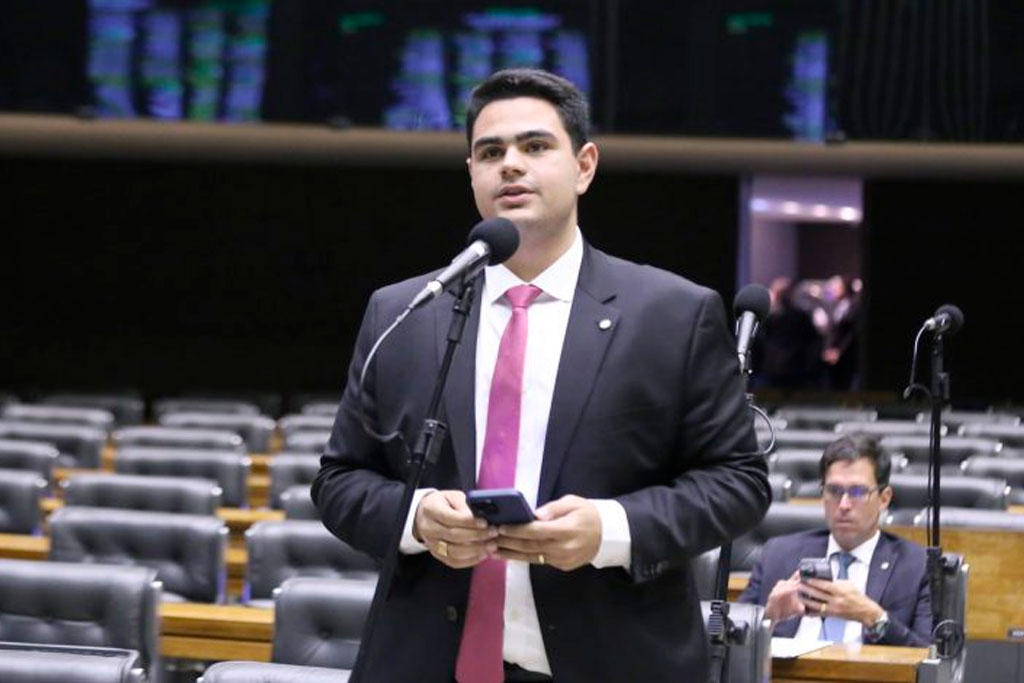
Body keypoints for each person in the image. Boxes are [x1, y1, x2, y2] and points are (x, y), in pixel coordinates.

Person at [312, 68, 771, 682]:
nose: (510, 166)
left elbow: (738, 482)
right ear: (471, 173)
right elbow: (340, 480)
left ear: (584, 166)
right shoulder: (405, 310)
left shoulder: (672, 314)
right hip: (427, 658)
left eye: (535, 147)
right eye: (490, 152)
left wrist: (611, 528)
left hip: (613, 657)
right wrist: (417, 517)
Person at [738, 434, 932, 646]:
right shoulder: (778, 553)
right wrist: (768, 619)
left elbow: (928, 662)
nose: (844, 504)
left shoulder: (916, 565)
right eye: (834, 491)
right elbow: (734, 642)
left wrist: (874, 618)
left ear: (884, 498)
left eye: (857, 492)